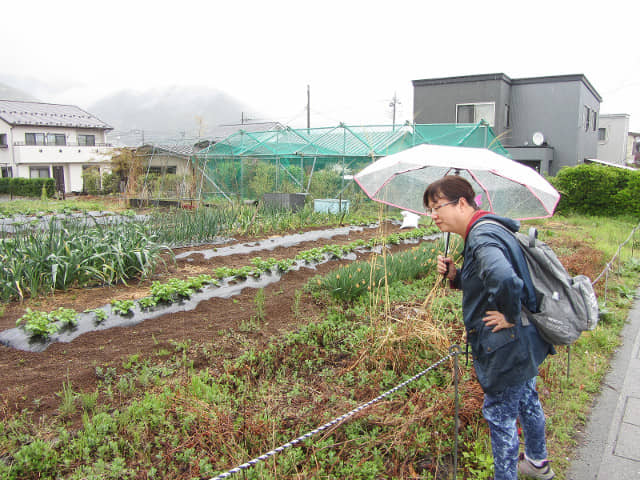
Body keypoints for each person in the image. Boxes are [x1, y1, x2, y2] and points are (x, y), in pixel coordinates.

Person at [423, 175, 556, 480]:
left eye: (437, 207)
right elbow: (486, 280)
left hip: (506, 344)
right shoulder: (489, 228)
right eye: (430, 209)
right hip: (523, 341)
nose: (433, 215)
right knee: (526, 399)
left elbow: (505, 279)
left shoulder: (481, 237)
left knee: (500, 416)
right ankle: (538, 461)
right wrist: (456, 276)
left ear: (461, 203)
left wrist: (508, 314)